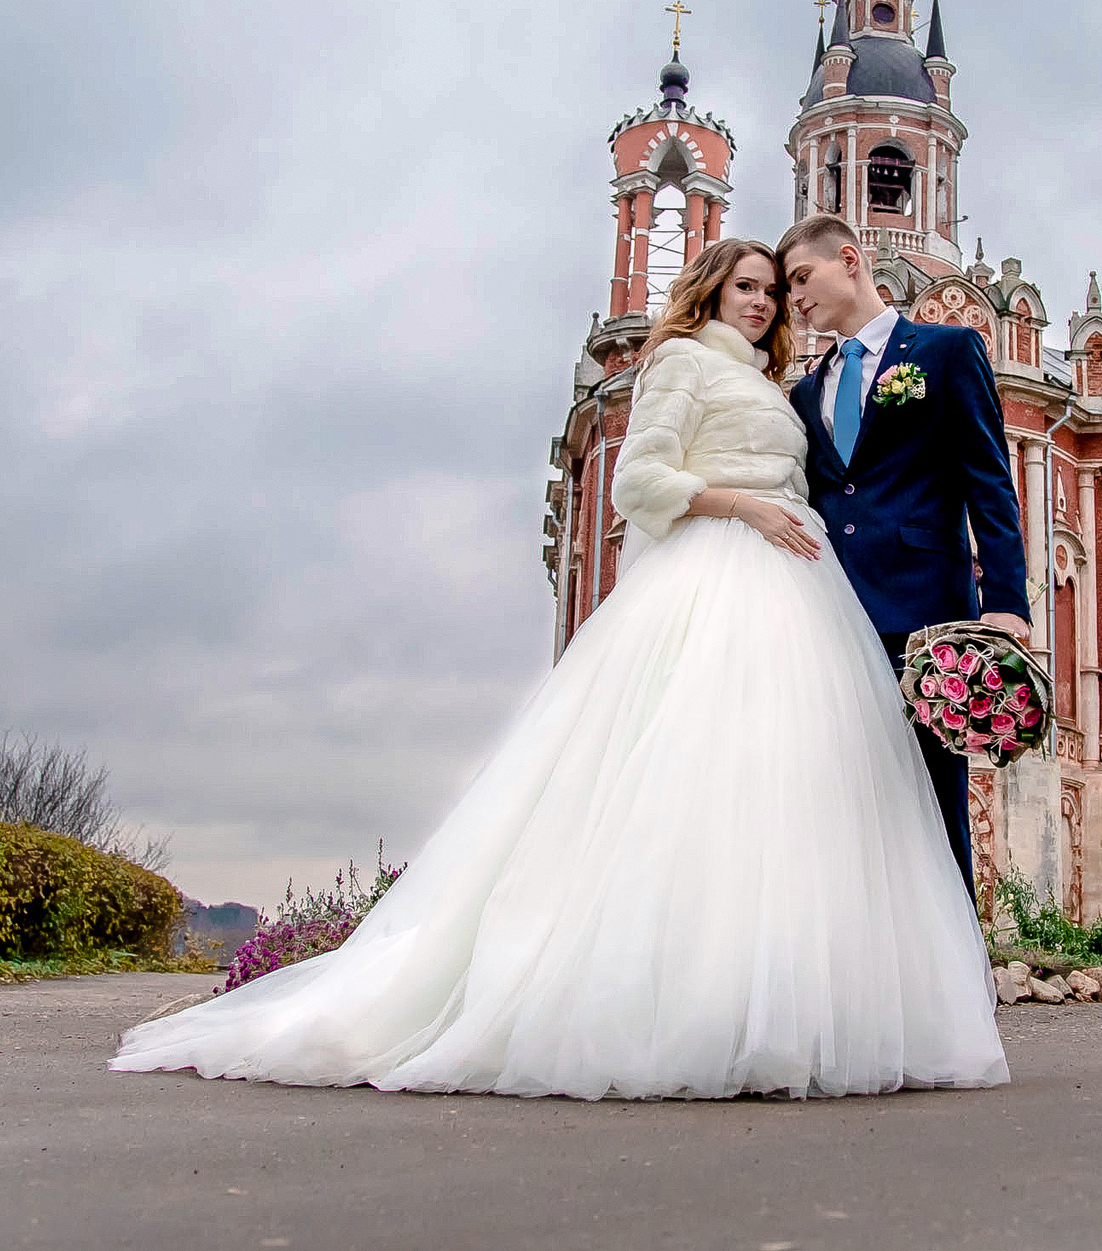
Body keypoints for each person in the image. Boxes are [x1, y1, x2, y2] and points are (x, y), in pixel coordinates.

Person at [109, 237, 1006, 1099]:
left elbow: (934, 478)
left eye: (775, 289)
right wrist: (743, 507)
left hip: (807, 596)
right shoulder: (685, 362)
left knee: (789, 798)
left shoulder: (787, 381)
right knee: (688, 785)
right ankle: (673, 1004)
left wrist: (994, 598)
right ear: (707, 291)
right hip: (724, 577)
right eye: (749, 287)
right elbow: (638, 485)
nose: (768, 301)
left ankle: (785, 1002)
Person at [775, 214, 1032, 902]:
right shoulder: (806, 392)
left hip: (927, 619)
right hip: (834, 618)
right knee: (840, 802)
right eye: (786, 286)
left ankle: (956, 991)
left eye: (802, 278)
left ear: (850, 260)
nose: (794, 298)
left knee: (932, 805)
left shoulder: (946, 351)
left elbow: (989, 484)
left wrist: (1006, 604)